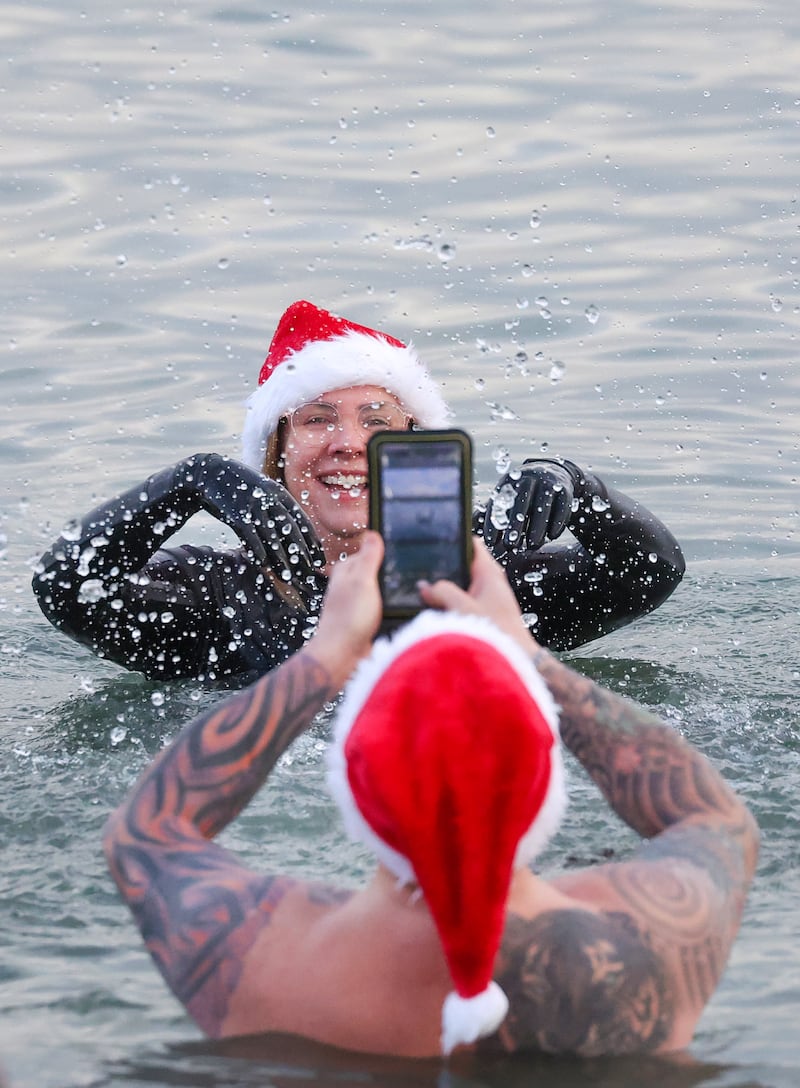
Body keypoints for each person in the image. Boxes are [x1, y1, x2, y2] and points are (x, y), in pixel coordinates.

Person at [103, 533, 758, 1058]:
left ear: (357, 790)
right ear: (545, 781)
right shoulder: (648, 943)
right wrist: (528, 655)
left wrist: (325, 658)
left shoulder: (270, 961)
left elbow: (151, 829)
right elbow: (712, 817)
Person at [32, 300, 685, 683]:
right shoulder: (216, 599)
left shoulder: (478, 583)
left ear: (419, 447)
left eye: (376, 423)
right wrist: (184, 484)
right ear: (275, 453)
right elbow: (67, 586)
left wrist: (582, 488)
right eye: (318, 419)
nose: (348, 444)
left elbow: (650, 572)